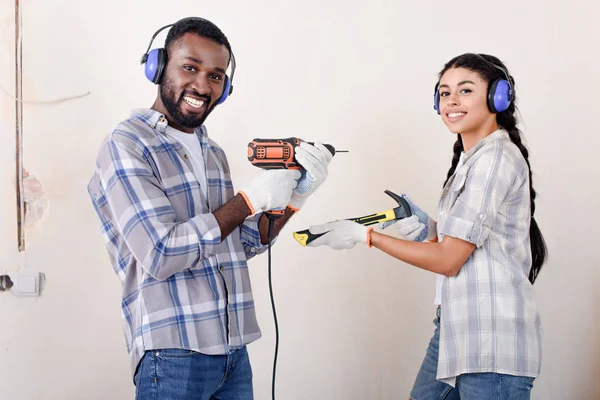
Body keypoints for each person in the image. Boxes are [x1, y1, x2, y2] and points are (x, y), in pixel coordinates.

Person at [87, 17, 333, 400]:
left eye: (216, 76)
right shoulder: (127, 145)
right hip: (172, 352)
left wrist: (294, 199)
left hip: (233, 351)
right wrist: (248, 200)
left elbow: (241, 244)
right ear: (157, 66)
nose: (202, 85)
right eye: (190, 67)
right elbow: (161, 252)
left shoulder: (211, 152)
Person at [306, 53, 547, 399]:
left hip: (492, 343)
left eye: (465, 90)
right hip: (455, 331)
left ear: (498, 97)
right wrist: (426, 227)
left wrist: (365, 236)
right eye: (445, 93)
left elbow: (450, 260)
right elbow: (470, 243)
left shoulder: (495, 158)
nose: (452, 101)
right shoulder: (471, 160)